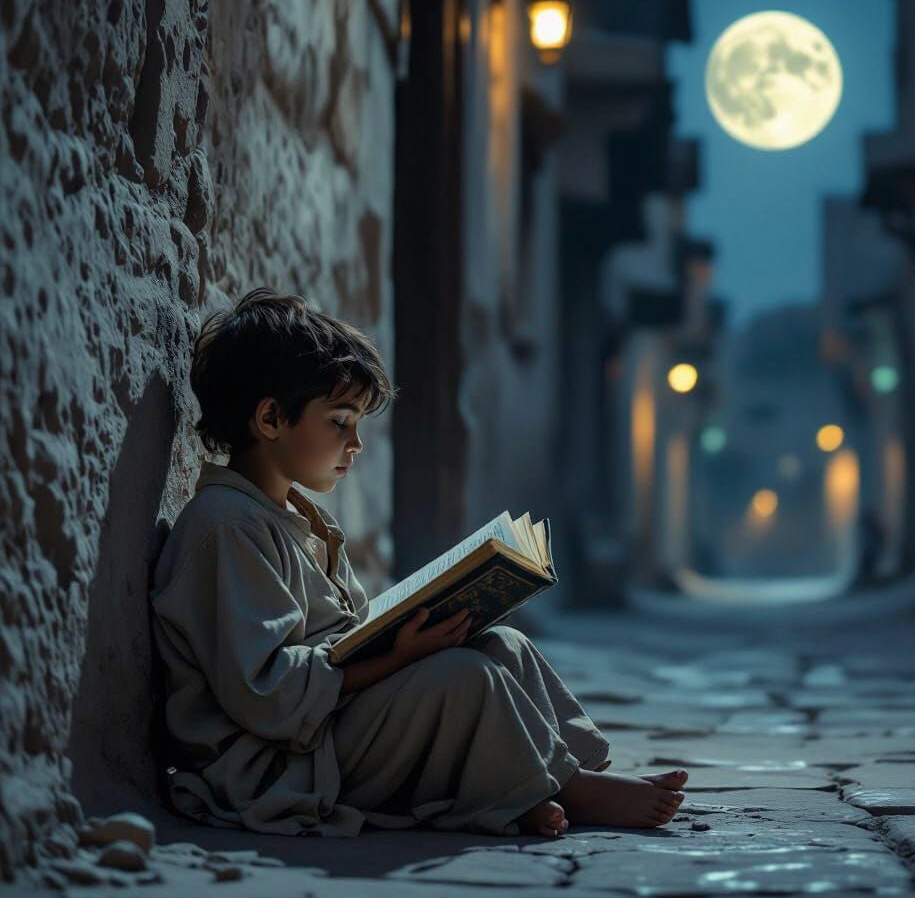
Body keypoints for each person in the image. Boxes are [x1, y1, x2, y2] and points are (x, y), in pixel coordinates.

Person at [150, 287, 688, 839]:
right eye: (339, 422)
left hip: (330, 725)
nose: (355, 444)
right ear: (269, 418)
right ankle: (565, 790)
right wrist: (399, 657)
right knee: (463, 680)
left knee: (503, 645)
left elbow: (342, 636)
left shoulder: (298, 517)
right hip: (281, 762)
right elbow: (268, 695)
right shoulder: (226, 526)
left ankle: (565, 775)